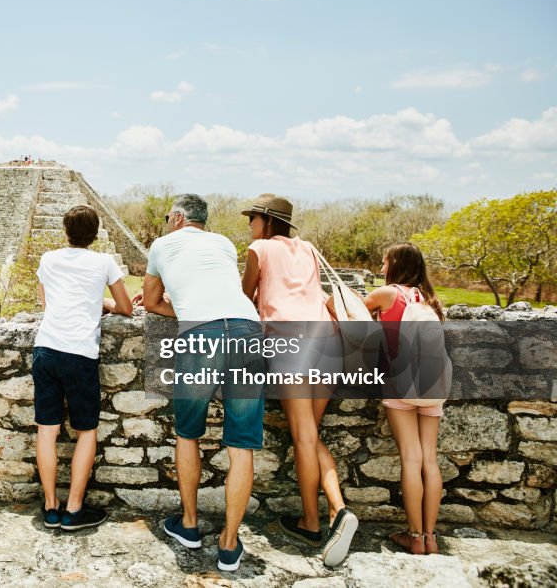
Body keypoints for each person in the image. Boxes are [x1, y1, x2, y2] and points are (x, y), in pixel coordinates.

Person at [135, 193, 265, 572]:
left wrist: (186, 307)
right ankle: (228, 544)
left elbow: (154, 301)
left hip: (200, 335)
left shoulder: (162, 245)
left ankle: (189, 525)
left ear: (177, 218)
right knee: (242, 444)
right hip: (246, 329)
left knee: (187, 433)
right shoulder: (224, 243)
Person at [240, 193, 358, 567]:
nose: (250, 225)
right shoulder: (307, 248)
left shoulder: (258, 248)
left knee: (304, 436)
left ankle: (319, 519)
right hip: (328, 340)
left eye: (253, 218)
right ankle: (335, 512)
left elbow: (244, 296)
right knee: (311, 436)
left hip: (291, 343)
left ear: (267, 221)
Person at [33, 205, 132, 532]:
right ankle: (74, 508)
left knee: (47, 430)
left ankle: (50, 506)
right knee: (85, 431)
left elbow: (46, 305)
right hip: (79, 354)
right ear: (96, 233)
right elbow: (126, 308)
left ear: (66, 231)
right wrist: (102, 303)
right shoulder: (104, 262)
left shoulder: (48, 259)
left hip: (46, 349)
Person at [359, 243, 444, 555]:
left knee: (411, 458)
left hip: (399, 383)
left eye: (384, 262)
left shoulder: (388, 294)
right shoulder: (431, 300)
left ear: (395, 264)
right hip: (432, 384)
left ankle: (415, 536)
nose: (381, 269)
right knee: (430, 460)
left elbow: (346, 309)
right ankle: (431, 537)